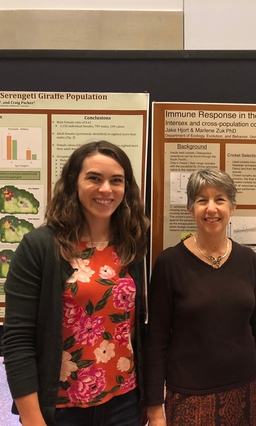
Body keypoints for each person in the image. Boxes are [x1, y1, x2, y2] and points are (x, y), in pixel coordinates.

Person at [2, 140, 150, 426]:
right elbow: (18, 340)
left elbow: (136, 328)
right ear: (73, 181)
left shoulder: (132, 246)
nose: (106, 189)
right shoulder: (40, 247)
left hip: (124, 403)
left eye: (116, 181)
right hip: (61, 409)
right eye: (94, 178)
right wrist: (33, 418)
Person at [144, 169, 256, 426]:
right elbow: (157, 339)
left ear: (233, 207)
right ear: (190, 209)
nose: (211, 208)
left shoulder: (248, 259)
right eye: (202, 200)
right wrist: (154, 409)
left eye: (220, 200)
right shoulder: (169, 263)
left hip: (245, 389)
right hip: (188, 395)